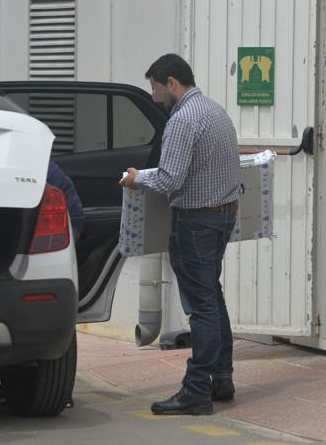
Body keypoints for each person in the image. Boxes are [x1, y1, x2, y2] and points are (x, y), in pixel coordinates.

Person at [119, 53, 240, 416]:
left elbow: (170, 179)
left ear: (172, 82)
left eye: (156, 88)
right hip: (221, 216)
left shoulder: (183, 119)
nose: (155, 97)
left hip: (195, 224)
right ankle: (222, 377)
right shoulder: (215, 111)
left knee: (201, 306)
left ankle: (196, 391)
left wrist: (137, 178)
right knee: (212, 298)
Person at [0, 158, 83, 408]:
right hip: (44, 227)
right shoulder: (25, 150)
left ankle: (48, 390)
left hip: (56, 222)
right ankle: (43, 388)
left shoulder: (30, 160)